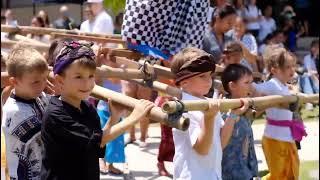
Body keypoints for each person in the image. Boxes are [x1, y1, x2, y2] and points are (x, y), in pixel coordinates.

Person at [41, 40, 155, 180]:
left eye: (91, 76)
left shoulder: (87, 108)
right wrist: (133, 118)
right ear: (60, 81)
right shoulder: (56, 114)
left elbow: (96, 142)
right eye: (79, 77)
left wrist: (114, 118)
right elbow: (99, 140)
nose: (87, 83)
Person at [170, 47, 247, 180]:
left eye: (210, 75)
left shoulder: (208, 103)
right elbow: (202, 149)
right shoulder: (184, 108)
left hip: (213, 174)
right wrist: (209, 117)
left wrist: (233, 115)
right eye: (202, 76)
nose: (209, 81)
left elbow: (221, 142)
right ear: (184, 81)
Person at [253, 48, 307, 180]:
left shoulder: (285, 86)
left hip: (288, 137)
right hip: (274, 138)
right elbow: (255, 87)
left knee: (292, 173)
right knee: (278, 175)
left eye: (293, 66)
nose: (292, 70)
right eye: (287, 67)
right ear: (274, 70)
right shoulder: (272, 85)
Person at [2, 45, 50, 179]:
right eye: (35, 82)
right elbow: (53, 134)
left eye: (45, 79)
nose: (43, 85)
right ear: (14, 81)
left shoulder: (37, 96)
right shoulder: (15, 111)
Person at [220, 64, 258, 180]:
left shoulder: (244, 107)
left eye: (251, 82)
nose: (251, 87)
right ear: (232, 86)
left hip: (247, 170)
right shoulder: (224, 110)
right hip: (232, 173)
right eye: (247, 83)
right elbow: (221, 143)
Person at [300, 40, 319, 110]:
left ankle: (310, 100)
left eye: (317, 47)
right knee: (305, 77)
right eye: (313, 47)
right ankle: (310, 101)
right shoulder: (307, 57)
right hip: (311, 79)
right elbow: (309, 70)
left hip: (316, 81)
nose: (314, 49)